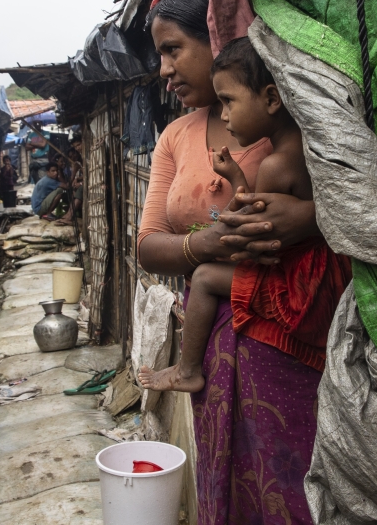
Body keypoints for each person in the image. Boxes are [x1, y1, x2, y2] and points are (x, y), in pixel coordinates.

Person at [136, 0, 341, 523]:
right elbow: (147, 245)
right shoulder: (176, 137)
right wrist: (203, 243)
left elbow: (359, 195)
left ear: (216, 34)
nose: (165, 69)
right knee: (228, 485)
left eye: (174, 50)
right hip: (212, 336)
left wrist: (308, 219)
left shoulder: (288, 118)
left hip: (288, 330)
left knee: (292, 478)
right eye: (161, 55)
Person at [138, 37, 350, 393]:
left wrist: (220, 240)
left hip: (295, 285)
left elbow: (254, 236)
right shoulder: (310, 144)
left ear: (270, 99)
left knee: (205, 276)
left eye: (229, 102)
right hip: (321, 276)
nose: (224, 114)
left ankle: (187, 370)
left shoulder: (274, 164)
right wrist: (236, 176)